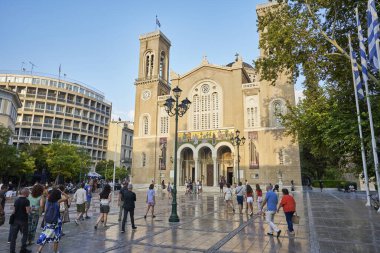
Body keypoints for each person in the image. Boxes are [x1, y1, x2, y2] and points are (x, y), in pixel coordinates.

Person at [36, 187, 63, 253]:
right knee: (56, 238)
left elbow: (45, 210)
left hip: (48, 221)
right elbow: (67, 197)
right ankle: (55, 251)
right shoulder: (57, 203)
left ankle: (39, 250)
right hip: (55, 222)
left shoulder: (48, 201)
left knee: (45, 235)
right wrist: (61, 192)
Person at [10, 188, 31, 253]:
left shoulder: (16, 200)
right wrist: (31, 210)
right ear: (26, 193)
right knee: (24, 235)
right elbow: (27, 211)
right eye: (28, 193)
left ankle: (12, 250)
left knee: (13, 236)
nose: (29, 194)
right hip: (23, 220)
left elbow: (14, 210)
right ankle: (23, 249)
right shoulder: (26, 201)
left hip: (15, 220)